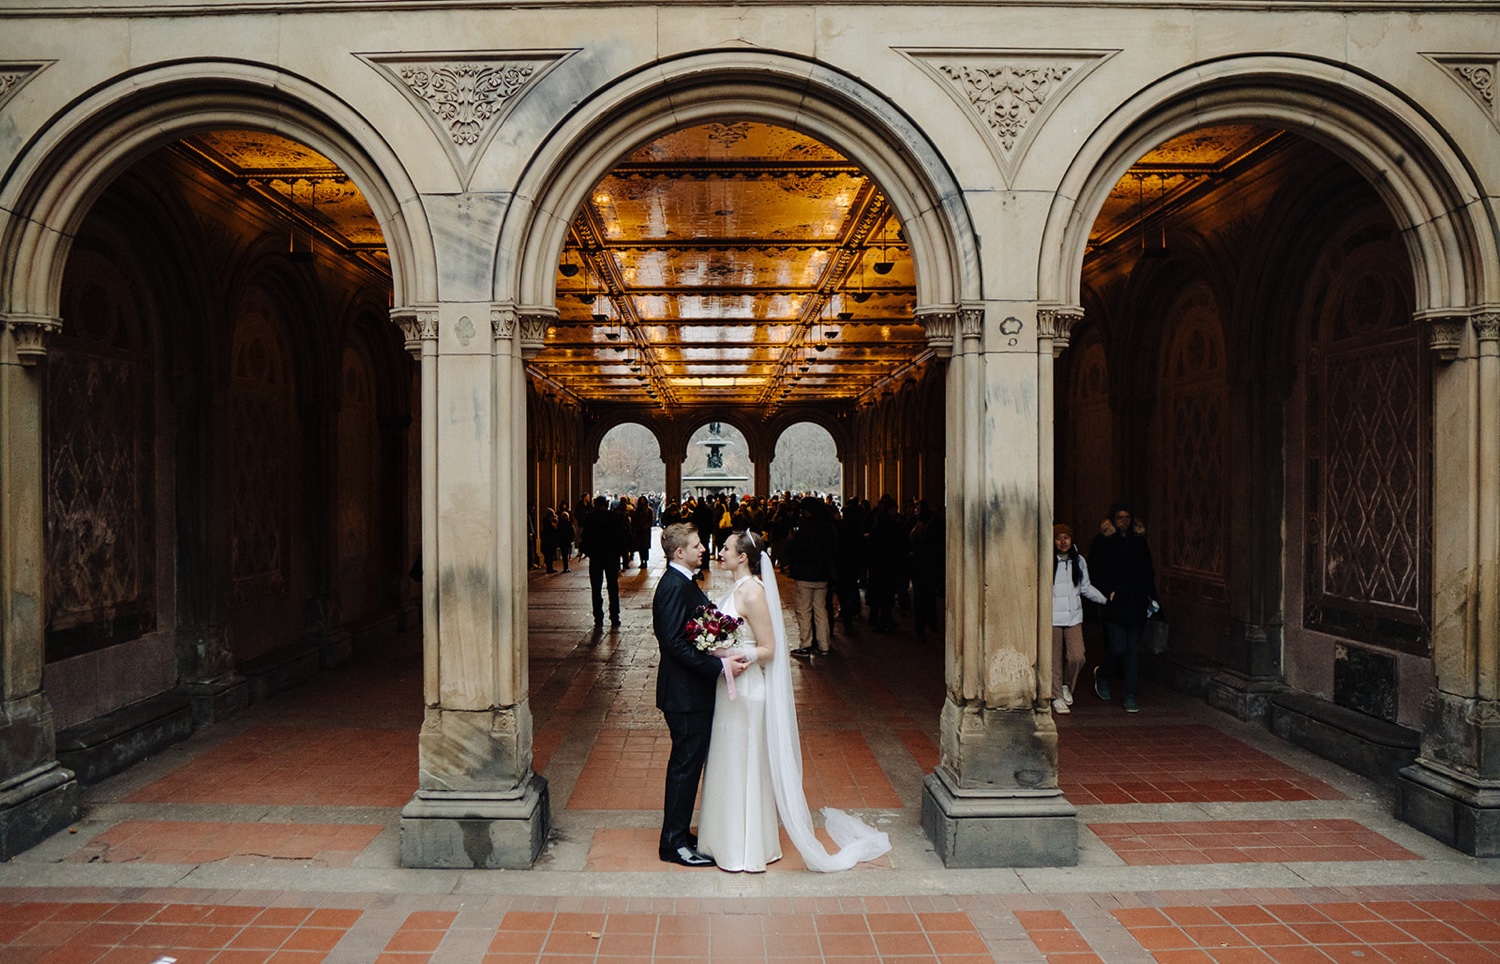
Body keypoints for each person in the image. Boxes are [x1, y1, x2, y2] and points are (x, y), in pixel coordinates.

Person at [697, 529, 892, 873]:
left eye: (726, 548)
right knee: (728, 758)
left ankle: (746, 846)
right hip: (728, 685)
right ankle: (724, 838)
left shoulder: (754, 593)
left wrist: (731, 652)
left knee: (745, 760)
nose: (720, 552)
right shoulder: (737, 588)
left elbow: (769, 648)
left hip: (746, 688)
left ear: (743, 557)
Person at [653, 522, 749, 867]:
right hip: (683, 695)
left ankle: (678, 833)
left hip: (689, 693)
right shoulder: (673, 586)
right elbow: (673, 643)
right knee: (684, 767)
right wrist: (717, 668)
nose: (703, 549)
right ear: (679, 552)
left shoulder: (683, 582)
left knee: (689, 765)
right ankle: (673, 843)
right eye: (696, 546)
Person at [1088, 501, 1157, 713]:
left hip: (1137, 604)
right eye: (1120, 517)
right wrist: (1107, 591)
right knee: (1118, 646)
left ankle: (1130, 695)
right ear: (1113, 519)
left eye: (1127, 517)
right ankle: (1103, 674)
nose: (1124, 522)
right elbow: (1094, 570)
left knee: (1132, 650)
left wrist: (1152, 598)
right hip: (1115, 604)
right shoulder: (1103, 541)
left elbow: (1148, 572)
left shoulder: (1139, 541)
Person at [1050, 523, 1105, 714]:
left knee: (1077, 656)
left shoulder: (1079, 561)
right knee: (1054, 659)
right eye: (1058, 538)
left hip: (1073, 617)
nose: (1063, 541)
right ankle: (1057, 696)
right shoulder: (1048, 560)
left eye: (1066, 537)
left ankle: (1066, 685)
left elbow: (1085, 587)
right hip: (1052, 618)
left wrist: (1105, 600)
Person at [786, 498, 835, 659]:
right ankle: (824, 645)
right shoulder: (828, 528)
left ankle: (805, 645)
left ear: (806, 511)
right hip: (823, 575)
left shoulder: (805, 529)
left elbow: (796, 551)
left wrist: (791, 542)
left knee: (804, 611)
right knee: (821, 610)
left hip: (805, 575)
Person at [579, 495, 626, 628]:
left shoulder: (591, 519)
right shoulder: (613, 518)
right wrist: (620, 556)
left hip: (596, 557)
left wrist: (589, 552)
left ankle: (598, 617)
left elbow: (585, 537)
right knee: (613, 587)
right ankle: (614, 615)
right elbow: (620, 538)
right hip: (611, 557)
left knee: (596, 588)